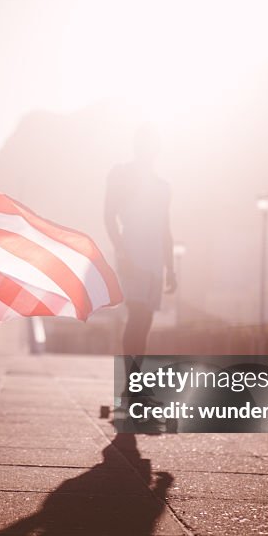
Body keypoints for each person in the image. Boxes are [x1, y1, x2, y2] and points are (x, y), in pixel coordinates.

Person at [104, 124, 177, 395]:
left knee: (145, 322)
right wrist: (121, 252)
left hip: (155, 259)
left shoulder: (162, 186)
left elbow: (165, 227)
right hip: (133, 252)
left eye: (151, 144)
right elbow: (109, 216)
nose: (147, 149)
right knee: (135, 316)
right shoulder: (121, 174)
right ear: (136, 146)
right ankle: (131, 386)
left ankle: (135, 386)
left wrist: (171, 267)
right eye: (143, 143)